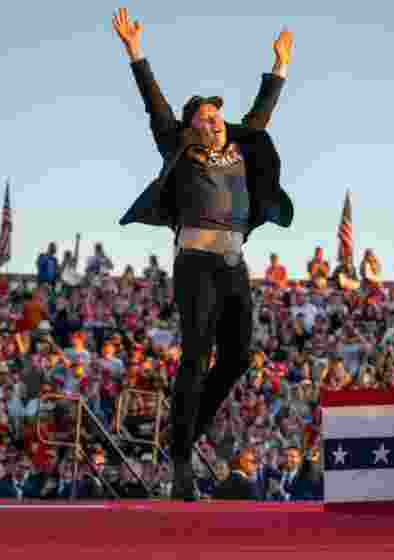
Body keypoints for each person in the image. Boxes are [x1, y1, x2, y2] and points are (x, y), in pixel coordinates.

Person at [112, 7, 295, 501]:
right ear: (193, 125)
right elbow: (154, 104)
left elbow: (262, 113)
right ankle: (180, 465)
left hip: (234, 265)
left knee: (238, 357)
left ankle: (185, 435)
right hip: (194, 263)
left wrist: (280, 66)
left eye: (217, 116)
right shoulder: (179, 148)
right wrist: (135, 52)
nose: (213, 122)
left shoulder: (241, 146)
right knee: (196, 354)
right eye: (204, 117)